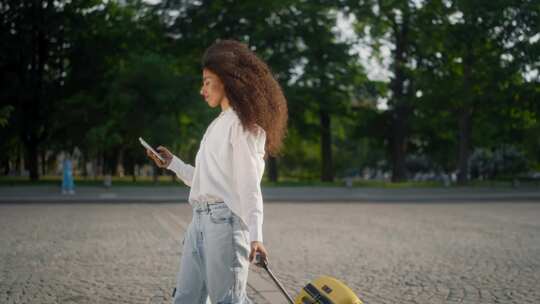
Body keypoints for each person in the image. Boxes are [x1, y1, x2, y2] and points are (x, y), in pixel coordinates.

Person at [146, 39, 288, 304]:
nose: (203, 90)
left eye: (208, 82)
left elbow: (249, 186)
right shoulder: (218, 125)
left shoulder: (244, 127)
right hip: (199, 222)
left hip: (225, 224)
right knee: (186, 299)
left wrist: (256, 236)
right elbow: (204, 181)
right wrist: (172, 163)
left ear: (229, 81)